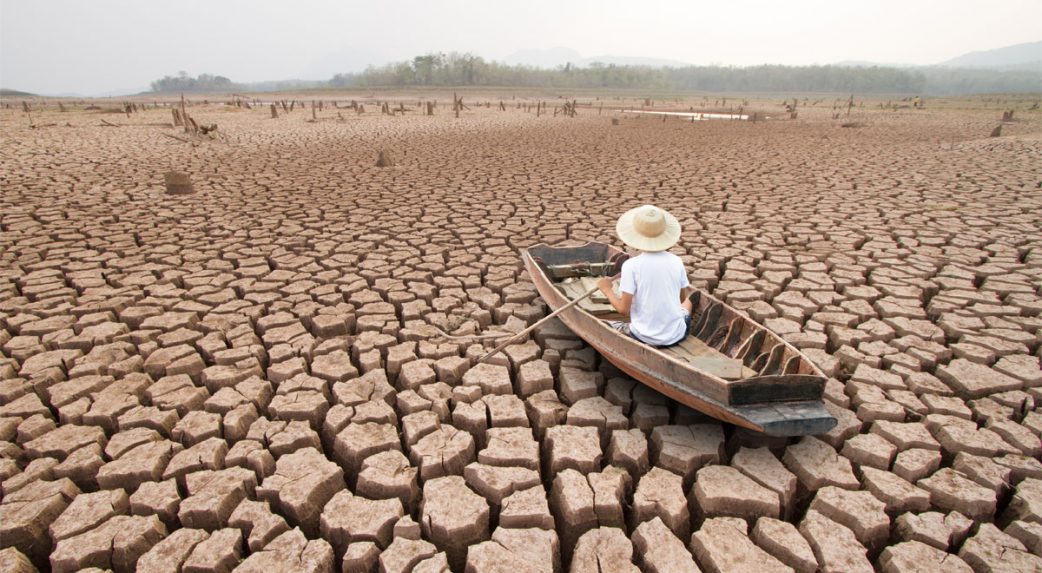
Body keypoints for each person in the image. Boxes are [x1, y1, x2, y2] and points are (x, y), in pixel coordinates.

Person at [597, 204, 694, 347]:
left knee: (611, 323)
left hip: (643, 337)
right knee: (688, 303)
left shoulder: (631, 266)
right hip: (676, 335)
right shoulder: (676, 261)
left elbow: (623, 310)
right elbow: (681, 299)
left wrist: (606, 290)